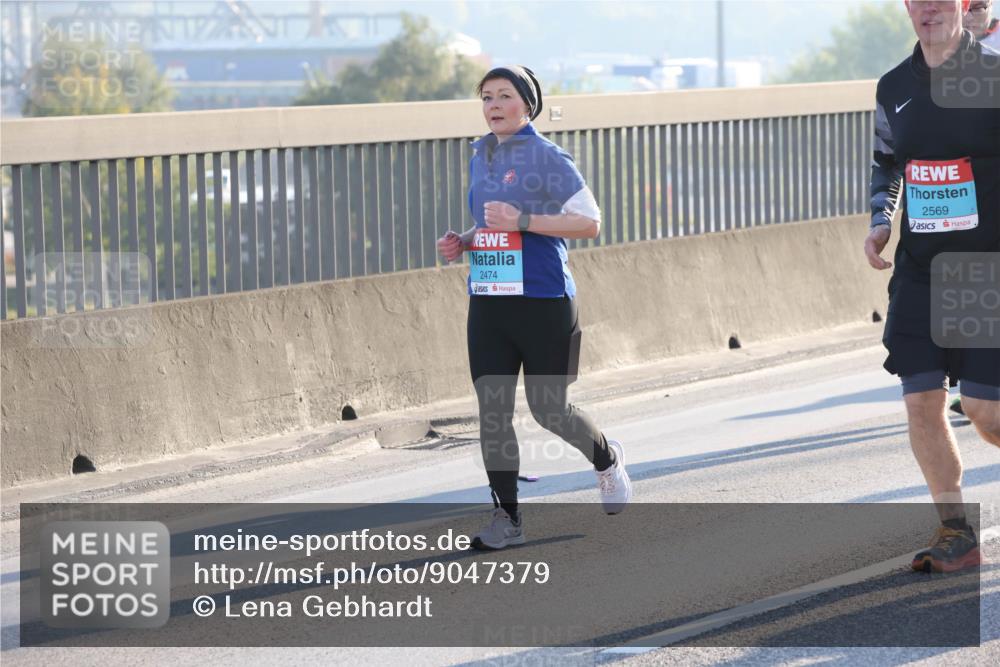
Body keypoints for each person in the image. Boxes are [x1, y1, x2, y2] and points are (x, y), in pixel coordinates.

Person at [436, 65, 632, 550]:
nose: (494, 105)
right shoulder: (479, 155)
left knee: (549, 410)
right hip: (490, 301)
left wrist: (523, 220)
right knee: (493, 413)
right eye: (486, 97)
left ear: (528, 105)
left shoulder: (548, 156)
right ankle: (507, 519)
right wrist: (465, 240)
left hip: (544, 299)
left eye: (505, 96)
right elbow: (493, 224)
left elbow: (589, 223)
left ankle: (606, 460)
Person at [865, 0, 1000, 573]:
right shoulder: (894, 85)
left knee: (984, 410)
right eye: (918, 1)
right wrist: (879, 217)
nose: (929, 10)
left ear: (963, 6)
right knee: (921, 400)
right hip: (921, 268)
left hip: (983, 269)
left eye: (940, 1)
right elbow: (887, 162)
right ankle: (956, 532)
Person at [951, 0, 1000, 418]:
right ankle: (970, 383)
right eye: (965, 7)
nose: (971, 15)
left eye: (978, 7)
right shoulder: (941, 55)